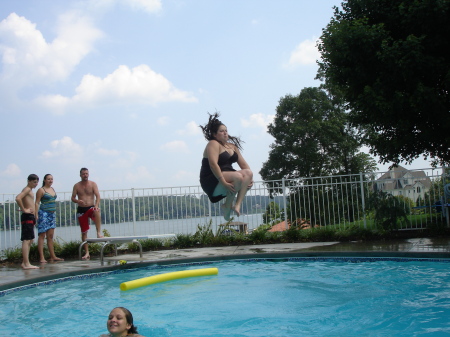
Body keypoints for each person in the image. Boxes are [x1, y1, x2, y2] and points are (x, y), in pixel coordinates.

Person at [199, 112, 253, 220]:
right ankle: (227, 206)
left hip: (228, 176)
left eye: (226, 131)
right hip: (212, 179)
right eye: (221, 131)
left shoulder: (232, 147)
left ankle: (236, 204)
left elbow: (245, 166)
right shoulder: (213, 143)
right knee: (237, 176)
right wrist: (223, 182)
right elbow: (213, 165)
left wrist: (249, 180)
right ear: (215, 134)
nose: (225, 133)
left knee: (248, 173)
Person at [71, 167, 103, 260]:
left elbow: (97, 196)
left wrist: (96, 205)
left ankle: (98, 232)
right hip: (81, 209)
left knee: (96, 211)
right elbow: (72, 198)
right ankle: (87, 253)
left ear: (88, 174)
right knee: (84, 232)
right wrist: (77, 201)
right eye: (83, 174)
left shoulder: (93, 184)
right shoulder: (76, 185)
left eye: (86, 173)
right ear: (80, 175)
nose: (85, 175)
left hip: (90, 207)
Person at [35, 174, 64, 263]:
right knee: (42, 235)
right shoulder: (41, 190)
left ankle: (53, 256)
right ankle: (42, 257)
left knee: (50, 236)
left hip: (52, 214)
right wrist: (36, 215)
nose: (50, 180)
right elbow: (36, 203)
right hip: (44, 214)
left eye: (51, 179)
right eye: (48, 179)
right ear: (44, 180)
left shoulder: (52, 189)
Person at [15, 174, 40, 269]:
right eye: (34, 182)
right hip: (27, 216)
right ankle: (26, 264)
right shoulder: (27, 189)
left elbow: (27, 201)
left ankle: (24, 262)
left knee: (31, 239)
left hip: (30, 216)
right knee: (27, 240)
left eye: (37, 182)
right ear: (29, 181)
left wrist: (34, 214)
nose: (36, 184)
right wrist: (24, 209)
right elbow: (18, 198)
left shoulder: (29, 190)